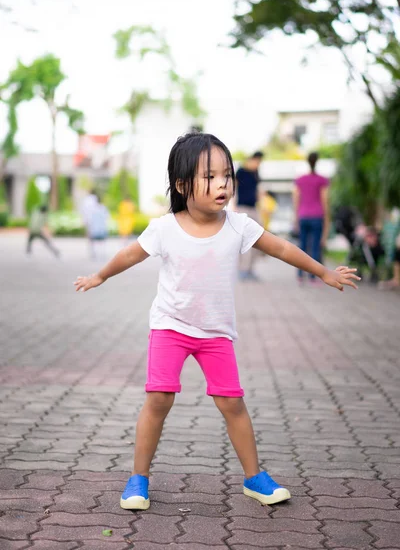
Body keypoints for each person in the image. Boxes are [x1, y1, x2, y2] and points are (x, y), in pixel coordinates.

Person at [74, 132, 359, 512]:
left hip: (216, 334)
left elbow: (282, 248)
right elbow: (129, 255)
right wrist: (100, 276)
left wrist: (322, 271)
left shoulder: (239, 226)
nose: (222, 184)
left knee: (232, 403)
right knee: (158, 399)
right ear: (182, 185)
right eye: (209, 177)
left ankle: (254, 478)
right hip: (170, 327)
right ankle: (138, 479)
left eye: (226, 175)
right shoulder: (164, 228)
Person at [293, 152, 330, 282]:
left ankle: (299, 275)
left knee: (302, 246)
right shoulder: (322, 180)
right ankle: (313, 277)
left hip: (303, 215)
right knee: (315, 246)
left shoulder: (300, 179)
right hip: (317, 216)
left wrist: (296, 217)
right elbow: (325, 200)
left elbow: (296, 198)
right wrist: (327, 218)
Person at [236, 151, 264, 280]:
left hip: (254, 209)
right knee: (244, 240)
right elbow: (233, 189)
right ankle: (243, 270)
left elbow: (258, 191)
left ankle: (251, 268)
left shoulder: (256, 173)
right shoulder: (240, 172)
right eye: (257, 162)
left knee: (258, 239)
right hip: (242, 208)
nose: (258, 165)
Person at [86, 194, 110, 260]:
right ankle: (101, 253)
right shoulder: (103, 208)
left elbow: (90, 219)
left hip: (94, 229)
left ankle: (94, 253)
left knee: (93, 241)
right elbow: (107, 217)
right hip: (102, 229)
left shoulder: (93, 209)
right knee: (102, 242)